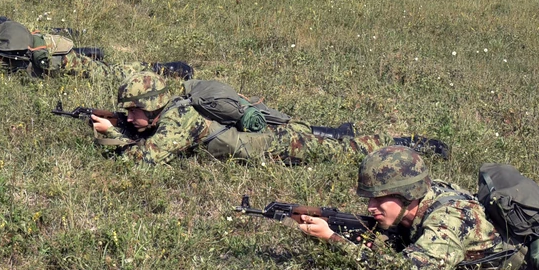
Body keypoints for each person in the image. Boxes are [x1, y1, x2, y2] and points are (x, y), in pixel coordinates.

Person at [90, 72, 448, 167]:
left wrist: (112, 136)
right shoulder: (169, 112)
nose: (129, 117)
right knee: (319, 137)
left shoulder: (177, 118)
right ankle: (335, 133)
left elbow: (146, 161)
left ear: (154, 105)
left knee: (339, 150)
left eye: (134, 110)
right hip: (261, 140)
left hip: (268, 147)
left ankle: (408, 144)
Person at [295, 146, 517, 270]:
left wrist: (333, 239)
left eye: (380, 198)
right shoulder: (426, 194)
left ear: (407, 194)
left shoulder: (448, 221)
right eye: (370, 198)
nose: (371, 207)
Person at [0, 18, 190, 81]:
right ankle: (87, 54)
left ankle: (161, 69)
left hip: (56, 63)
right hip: (50, 58)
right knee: (93, 65)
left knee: (109, 74)